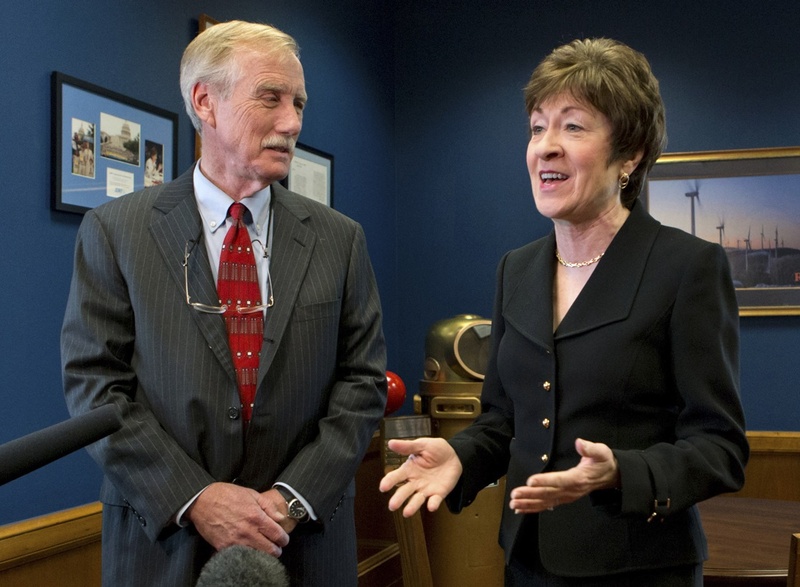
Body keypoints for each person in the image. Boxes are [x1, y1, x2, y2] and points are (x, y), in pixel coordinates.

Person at [380, 38, 748, 586]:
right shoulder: (516, 269)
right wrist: (461, 457)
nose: (545, 147)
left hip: (639, 569)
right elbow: (503, 421)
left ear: (630, 155)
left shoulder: (687, 267)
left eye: (573, 127)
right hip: (526, 562)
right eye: (537, 128)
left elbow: (721, 448)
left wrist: (622, 472)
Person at [62, 20, 387, 587]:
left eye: (298, 103)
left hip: (303, 544)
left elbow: (362, 382)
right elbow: (95, 386)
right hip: (163, 547)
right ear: (205, 102)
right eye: (270, 98)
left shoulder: (340, 239)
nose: (292, 122)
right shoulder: (116, 232)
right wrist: (196, 498)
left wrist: (291, 498)